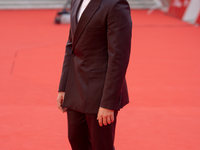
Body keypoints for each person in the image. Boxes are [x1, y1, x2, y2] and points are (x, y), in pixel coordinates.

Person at [57, 0, 132, 149]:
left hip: (100, 92)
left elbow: (118, 58)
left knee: (101, 146)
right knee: (76, 141)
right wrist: (63, 87)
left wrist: (108, 103)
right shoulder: (76, 1)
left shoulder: (115, 4)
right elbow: (71, 46)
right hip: (75, 88)